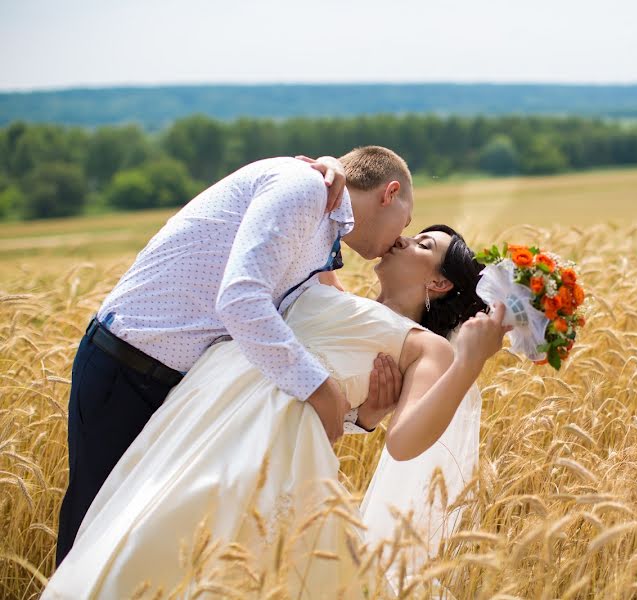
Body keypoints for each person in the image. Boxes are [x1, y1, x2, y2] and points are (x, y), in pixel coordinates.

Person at [42, 225, 509, 599]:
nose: (404, 238)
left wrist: (469, 362)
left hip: (265, 443)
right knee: (137, 532)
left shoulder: (426, 348)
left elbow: (403, 441)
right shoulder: (329, 284)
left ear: (439, 282)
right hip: (203, 411)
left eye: (424, 243)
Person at [55, 147, 415, 565]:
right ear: (390, 193)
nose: (402, 238)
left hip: (183, 391)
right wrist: (320, 389)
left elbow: (303, 338)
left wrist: (361, 414)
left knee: (142, 548)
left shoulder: (323, 226)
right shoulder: (304, 189)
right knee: (91, 537)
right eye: (406, 223)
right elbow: (241, 300)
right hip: (128, 368)